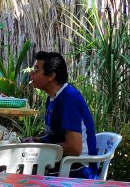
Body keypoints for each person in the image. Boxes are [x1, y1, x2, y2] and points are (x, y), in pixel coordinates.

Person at [28, 51, 98, 179]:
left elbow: (74, 148)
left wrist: (41, 147)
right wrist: (37, 141)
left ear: (51, 76)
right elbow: (55, 137)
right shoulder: (53, 98)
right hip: (64, 163)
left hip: (80, 169)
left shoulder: (69, 99)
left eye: (36, 70)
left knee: (24, 175)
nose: (31, 73)